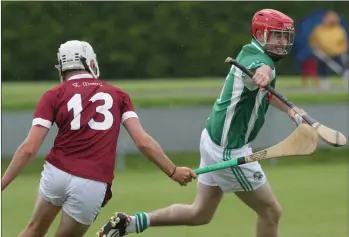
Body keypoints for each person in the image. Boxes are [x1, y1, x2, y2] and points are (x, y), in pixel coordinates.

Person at [97, 9, 305, 237]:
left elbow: (264, 92)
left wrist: (292, 111)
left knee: (200, 214)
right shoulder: (259, 61)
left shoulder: (251, 52)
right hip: (228, 150)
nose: (283, 42)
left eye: (285, 36)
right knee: (270, 211)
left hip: (213, 139)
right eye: (277, 35)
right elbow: (259, 70)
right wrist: (264, 73)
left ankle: (129, 223)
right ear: (260, 34)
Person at [1, 40, 196, 237]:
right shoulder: (118, 94)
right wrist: (172, 171)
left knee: (34, 229)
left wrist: (2, 183)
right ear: (91, 63)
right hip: (92, 183)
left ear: (62, 68)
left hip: (56, 172)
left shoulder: (53, 95)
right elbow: (142, 141)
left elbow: (29, 148)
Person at [309, 10, 349, 89]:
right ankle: (325, 84)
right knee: (322, 66)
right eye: (327, 18)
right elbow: (313, 41)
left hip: (338, 53)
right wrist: (317, 50)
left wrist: (343, 51)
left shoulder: (339, 30)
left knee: (344, 66)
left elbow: (344, 43)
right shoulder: (319, 29)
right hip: (323, 54)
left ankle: (346, 80)